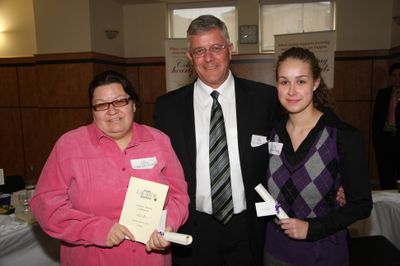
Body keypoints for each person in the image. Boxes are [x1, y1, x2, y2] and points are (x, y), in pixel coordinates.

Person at [154, 15, 279, 266]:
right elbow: (158, 171)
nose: (208, 58)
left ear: (230, 50)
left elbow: (286, 151)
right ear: (190, 57)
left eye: (216, 48)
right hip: (192, 228)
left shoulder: (264, 99)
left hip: (249, 226)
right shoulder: (167, 107)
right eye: (199, 50)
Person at [30, 70, 189, 266]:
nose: (112, 111)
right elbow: (46, 206)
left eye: (120, 101)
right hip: (91, 259)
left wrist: (168, 224)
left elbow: (178, 195)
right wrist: (95, 229)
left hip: (150, 258)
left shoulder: (159, 142)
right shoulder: (69, 146)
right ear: (92, 110)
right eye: (101, 105)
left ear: (133, 104)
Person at [263, 47, 372, 266]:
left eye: (301, 81)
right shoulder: (270, 132)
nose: (291, 91)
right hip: (274, 249)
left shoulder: (342, 136)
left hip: (322, 252)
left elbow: (362, 204)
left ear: (316, 83)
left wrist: (312, 228)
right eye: (284, 82)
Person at [372, 62, 400, 189]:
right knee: (385, 173)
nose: (397, 78)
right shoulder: (383, 93)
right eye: (394, 75)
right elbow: (376, 118)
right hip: (384, 138)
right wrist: (376, 139)